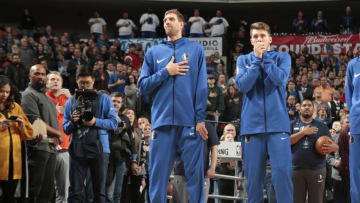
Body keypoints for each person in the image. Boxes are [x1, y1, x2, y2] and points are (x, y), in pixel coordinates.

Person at [138, 9, 208, 203]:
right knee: (157, 178)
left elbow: (201, 87)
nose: (166, 22)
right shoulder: (154, 52)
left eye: (171, 19)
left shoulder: (196, 50)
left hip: (189, 123)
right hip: (162, 124)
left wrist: (200, 119)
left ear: (182, 24)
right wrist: (166, 71)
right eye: (164, 20)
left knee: (195, 177)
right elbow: (142, 87)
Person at [235, 22, 293, 203]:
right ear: (251, 40)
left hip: (278, 126)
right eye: (255, 37)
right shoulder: (243, 60)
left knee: (282, 174)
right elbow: (242, 85)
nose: (259, 39)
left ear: (270, 39)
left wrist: (265, 58)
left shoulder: (282, 57)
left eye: (262, 36)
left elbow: (280, 79)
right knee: (253, 180)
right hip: (251, 127)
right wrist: (256, 61)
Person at [63, 67, 118, 203]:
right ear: (76, 81)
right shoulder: (71, 101)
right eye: (82, 83)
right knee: (75, 191)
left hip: (100, 149)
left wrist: (95, 121)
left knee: (99, 191)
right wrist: (72, 122)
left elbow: (113, 123)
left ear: (93, 81)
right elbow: (65, 129)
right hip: (77, 148)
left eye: (87, 82)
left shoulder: (104, 98)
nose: (85, 85)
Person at [21, 64, 64, 203]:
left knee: (47, 191)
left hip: (50, 148)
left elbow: (52, 122)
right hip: (37, 148)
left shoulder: (45, 97)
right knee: (35, 190)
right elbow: (36, 121)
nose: (41, 77)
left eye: (43, 74)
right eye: (37, 74)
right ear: (30, 76)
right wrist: (58, 133)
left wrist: (56, 137)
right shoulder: (28, 94)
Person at [290, 99, 338, 203]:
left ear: (313, 109)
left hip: (317, 169)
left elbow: (333, 145)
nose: (306, 107)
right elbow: (286, 143)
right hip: (295, 170)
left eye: (309, 105)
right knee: (296, 200)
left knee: (316, 200)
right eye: (304, 105)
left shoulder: (322, 126)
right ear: (300, 109)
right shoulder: (292, 124)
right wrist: (303, 133)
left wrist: (334, 147)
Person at [0, 75, 34, 203]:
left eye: (7, 92)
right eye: (1, 91)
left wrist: (21, 126)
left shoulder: (15, 107)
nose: (4, 94)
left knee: (10, 197)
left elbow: (28, 134)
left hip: (14, 162)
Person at [172, 122, 219, 203]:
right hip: (181, 173)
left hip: (201, 174)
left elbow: (214, 148)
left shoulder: (208, 126)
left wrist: (212, 168)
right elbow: (171, 146)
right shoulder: (179, 126)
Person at [106, 92, 139, 203]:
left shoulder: (124, 118)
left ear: (121, 104)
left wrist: (133, 160)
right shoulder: (103, 115)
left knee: (118, 192)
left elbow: (131, 140)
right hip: (107, 157)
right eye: (114, 101)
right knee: (108, 192)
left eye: (118, 102)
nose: (116, 103)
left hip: (121, 158)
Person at [45, 72, 72, 203]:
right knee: (46, 190)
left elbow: (81, 119)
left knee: (63, 191)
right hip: (47, 150)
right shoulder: (43, 99)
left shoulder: (68, 99)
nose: (55, 82)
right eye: (52, 79)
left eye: (58, 80)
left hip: (65, 150)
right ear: (47, 83)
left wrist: (70, 98)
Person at [345, 55, 360, 203]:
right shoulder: (352, 65)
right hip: (357, 122)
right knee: (355, 168)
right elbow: (348, 93)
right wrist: (355, 111)